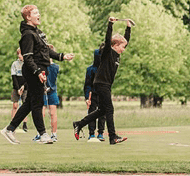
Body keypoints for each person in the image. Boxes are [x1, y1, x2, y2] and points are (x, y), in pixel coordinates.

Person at [0, 5, 74, 144]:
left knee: (29, 104)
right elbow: (27, 57)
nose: (39, 14)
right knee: (37, 103)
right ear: (28, 17)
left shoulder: (37, 32)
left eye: (38, 12)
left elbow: (46, 51)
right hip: (33, 71)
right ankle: (43, 134)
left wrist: (62, 56)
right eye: (35, 13)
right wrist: (38, 72)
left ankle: (9, 129)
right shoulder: (28, 35)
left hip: (39, 70)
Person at [73, 17, 134, 145]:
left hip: (105, 84)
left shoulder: (117, 54)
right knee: (109, 109)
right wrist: (110, 24)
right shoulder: (108, 52)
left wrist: (128, 27)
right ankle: (113, 137)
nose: (124, 49)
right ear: (115, 45)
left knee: (102, 110)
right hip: (101, 83)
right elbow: (108, 39)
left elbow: (125, 40)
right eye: (122, 47)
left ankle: (79, 124)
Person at [82, 47, 104, 142]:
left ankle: (100, 133)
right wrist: (87, 97)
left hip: (103, 94)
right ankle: (91, 133)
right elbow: (87, 85)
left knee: (103, 114)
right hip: (93, 95)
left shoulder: (105, 69)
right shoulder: (90, 69)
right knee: (92, 114)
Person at [42, 59, 61, 142]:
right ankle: (52, 134)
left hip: (47, 91)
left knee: (46, 112)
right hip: (50, 91)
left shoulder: (47, 66)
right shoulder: (56, 66)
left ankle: (44, 134)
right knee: (51, 113)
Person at [10, 49, 28, 132]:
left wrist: (23, 86)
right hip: (16, 87)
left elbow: (29, 78)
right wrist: (17, 88)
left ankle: (24, 124)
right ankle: (12, 124)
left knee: (25, 106)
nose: (19, 56)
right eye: (18, 54)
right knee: (15, 106)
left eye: (20, 54)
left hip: (26, 87)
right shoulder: (14, 64)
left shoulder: (28, 64)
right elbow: (14, 77)